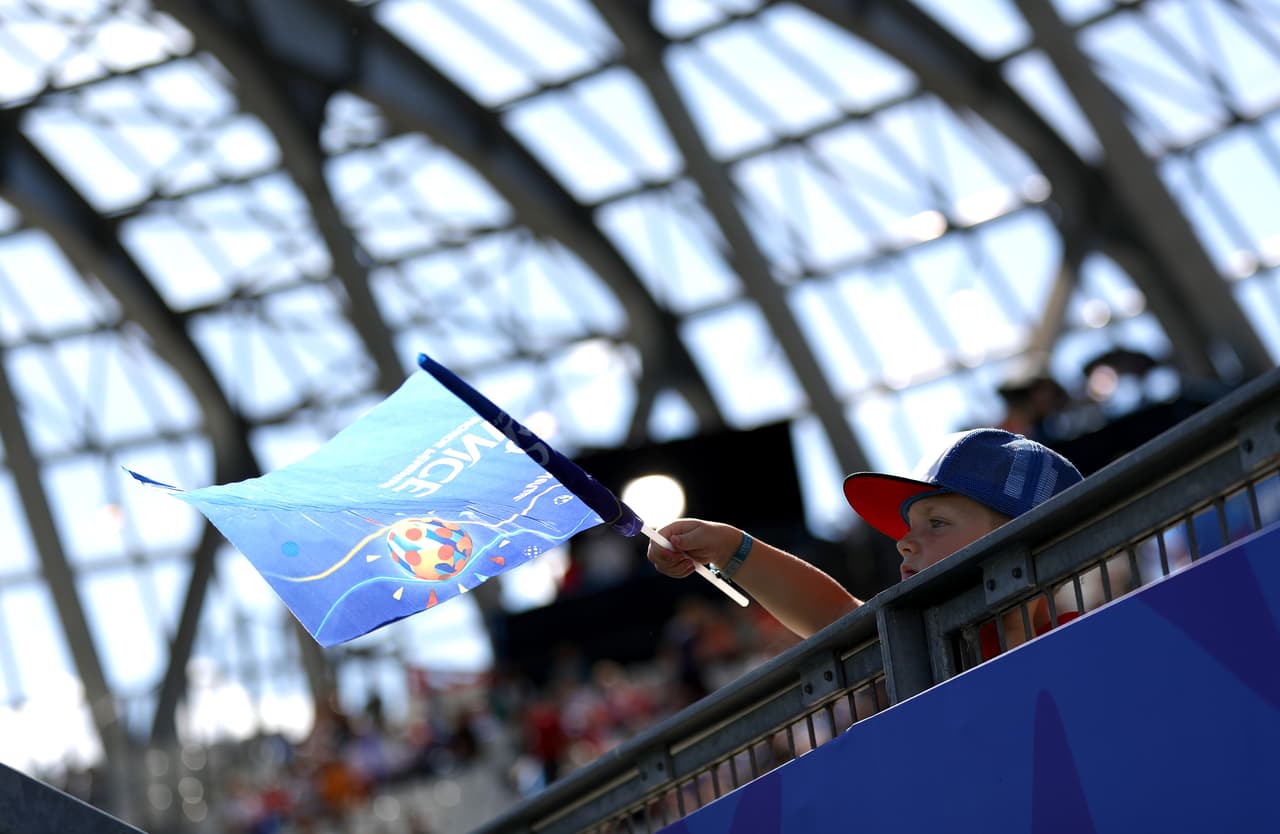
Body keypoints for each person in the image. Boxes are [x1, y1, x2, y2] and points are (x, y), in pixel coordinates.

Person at [647, 428, 1084, 640]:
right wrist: (728, 547)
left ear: (1025, 537)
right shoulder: (928, 643)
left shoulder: (1093, 642)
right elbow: (837, 615)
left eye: (936, 523)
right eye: (909, 527)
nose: (904, 542)